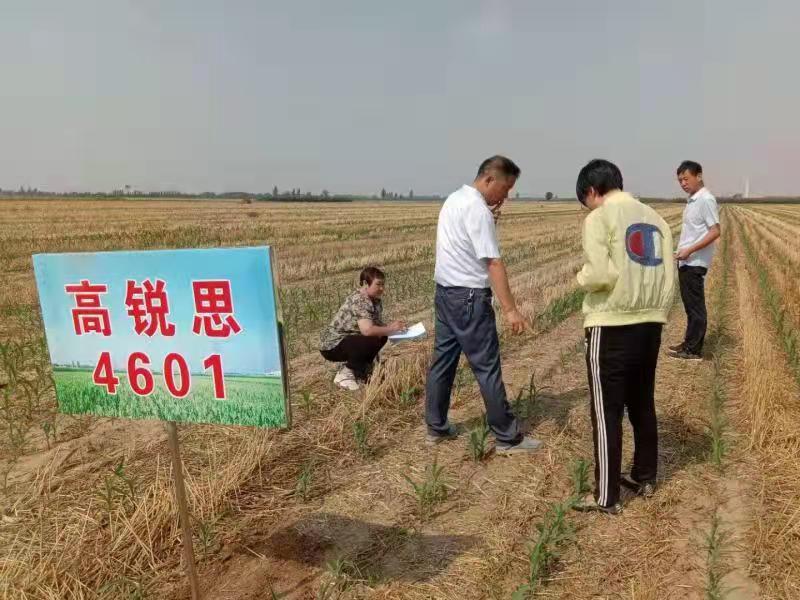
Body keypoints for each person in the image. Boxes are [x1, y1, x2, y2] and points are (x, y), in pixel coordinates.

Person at [572, 159, 676, 514]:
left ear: (591, 191)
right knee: (642, 404)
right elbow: (669, 276)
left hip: (611, 324)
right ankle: (644, 477)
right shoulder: (657, 220)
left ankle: (606, 496)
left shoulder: (599, 218)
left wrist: (580, 278)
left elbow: (599, 274)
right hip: (651, 323)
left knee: (606, 412)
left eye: (585, 201)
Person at [424, 155, 541, 455]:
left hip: (445, 294)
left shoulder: (455, 199)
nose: (506, 196)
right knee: (486, 367)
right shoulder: (478, 210)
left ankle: (436, 427)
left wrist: (490, 219)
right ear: (489, 179)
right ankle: (507, 438)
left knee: (442, 363)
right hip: (469, 299)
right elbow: (493, 262)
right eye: (505, 188)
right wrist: (511, 310)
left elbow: (466, 242)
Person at [320, 267, 406, 391]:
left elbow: (377, 326)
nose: (382, 288)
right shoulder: (359, 300)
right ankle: (345, 374)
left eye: (383, 284)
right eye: (378, 284)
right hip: (332, 345)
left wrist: (395, 328)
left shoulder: (375, 301)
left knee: (381, 336)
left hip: (348, 341)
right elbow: (367, 330)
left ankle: (361, 369)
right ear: (366, 283)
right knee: (371, 338)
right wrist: (390, 329)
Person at [668, 160, 720, 361]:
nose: (683, 183)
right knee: (690, 307)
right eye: (680, 180)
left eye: (686, 178)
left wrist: (689, 250)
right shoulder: (693, 200)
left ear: (699, 176)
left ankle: (693, 350)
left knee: (696, 308)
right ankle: (689, 343)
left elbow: (715, 231)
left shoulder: (706, 200)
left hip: (694, 262)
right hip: (686, 261)